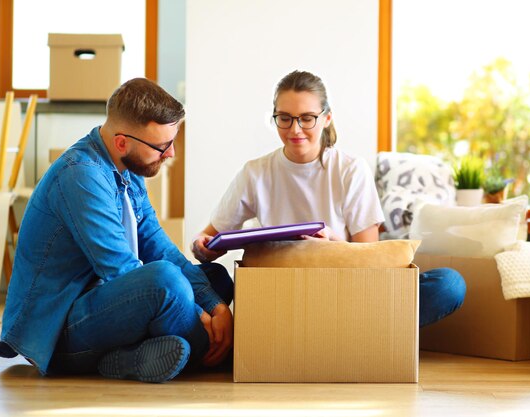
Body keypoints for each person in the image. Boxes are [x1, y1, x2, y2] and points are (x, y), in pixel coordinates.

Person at [0, 78, 233, 383]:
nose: (171, 153)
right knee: (166, 281)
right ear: (122, 142)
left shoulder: (127, 168)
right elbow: (121, 268)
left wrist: (215, 306)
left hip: (103, 306)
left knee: (214, 279)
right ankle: (216, 352)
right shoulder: (81, 175)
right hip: (59, 332)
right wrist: (205, 318)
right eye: (162, 146)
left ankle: (129, 358)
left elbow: (157, 246)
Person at [192, 70, 465, 327]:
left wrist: (333, 243)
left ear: (326, 118)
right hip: (279, 292)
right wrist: (203, 247)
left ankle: (350, 330)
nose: (295, 130)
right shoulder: (255, 172)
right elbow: (209, 240)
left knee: (448, 284)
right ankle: (355, 331)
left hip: (342, 290)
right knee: (205, 278)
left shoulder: (350, 169)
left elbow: (370, 259)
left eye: (307, 118)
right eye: (284, 118)